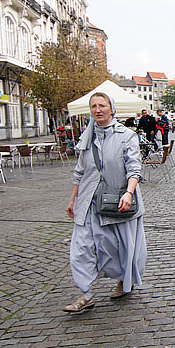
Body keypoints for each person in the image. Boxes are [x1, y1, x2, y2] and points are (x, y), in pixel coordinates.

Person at [64, 92, 147, 313]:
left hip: (117, 202)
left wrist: (128, 193)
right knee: (81, 247)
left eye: (102, 105)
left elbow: (134, 168)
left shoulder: (126, 135)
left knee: (117, 248)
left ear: (111, 108)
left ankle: (123, 280)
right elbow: (80, 171)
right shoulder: (87, 136)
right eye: (94, 106)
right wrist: (73, 198)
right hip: (89, 202)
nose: (98, 110)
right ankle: (86, 294)